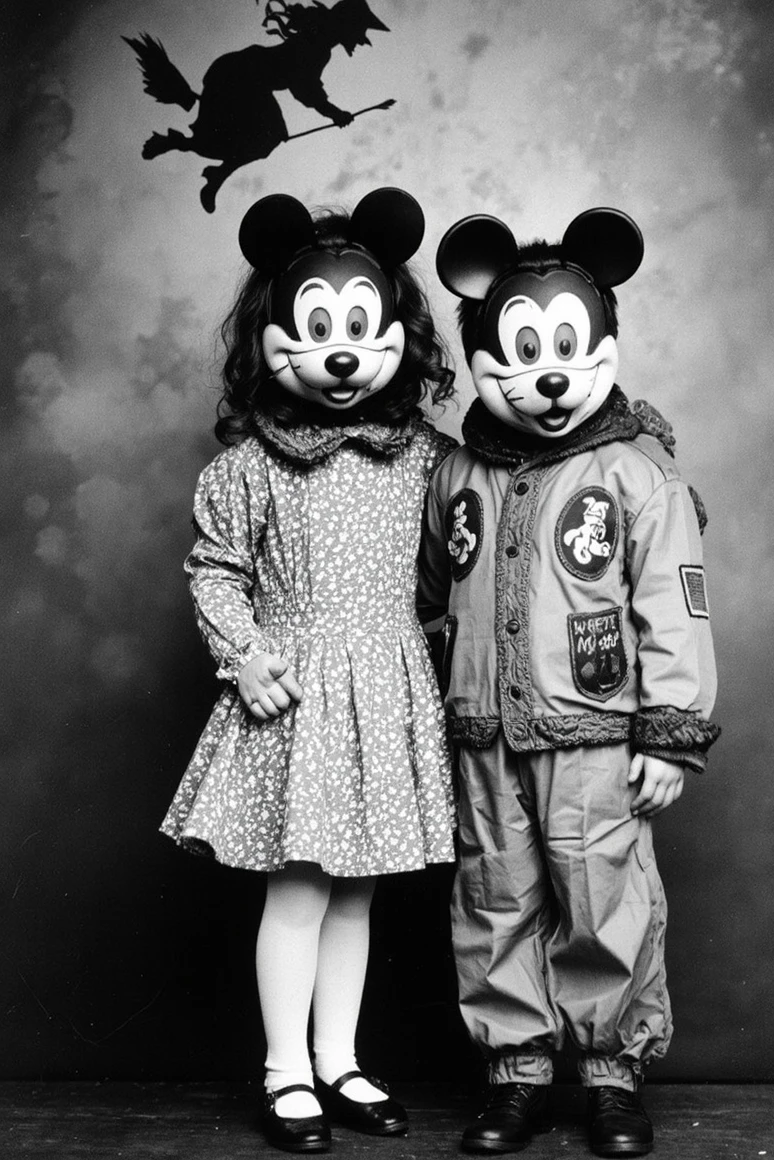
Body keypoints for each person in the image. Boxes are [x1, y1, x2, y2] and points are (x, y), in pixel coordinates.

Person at [420, 208, 720, 1157]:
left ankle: (608, 1074)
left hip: (596, 731)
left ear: (606, 345)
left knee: (602, 897)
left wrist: (671, 730)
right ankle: (514, 1073)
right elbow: (428, 590)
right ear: (479, 361)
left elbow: (676, 607)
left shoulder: (639, 475)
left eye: (566, 347)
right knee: (493, 896)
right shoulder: (455, 470)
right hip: (482, 733)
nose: (546, 374)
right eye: (518, 352)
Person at [161, 188, 456, 1153]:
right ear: (272, 335)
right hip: (297, 695)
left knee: (358, 890)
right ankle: (285, 1069)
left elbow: (488, 512)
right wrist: (245, 660)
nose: (338, 352)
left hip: (388, 686)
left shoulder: (420, 457)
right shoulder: (250, 467)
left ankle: (342, 1059)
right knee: (299, 888)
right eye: (317, 328)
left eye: (360, 329)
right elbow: (215, 572)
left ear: (398, 338)